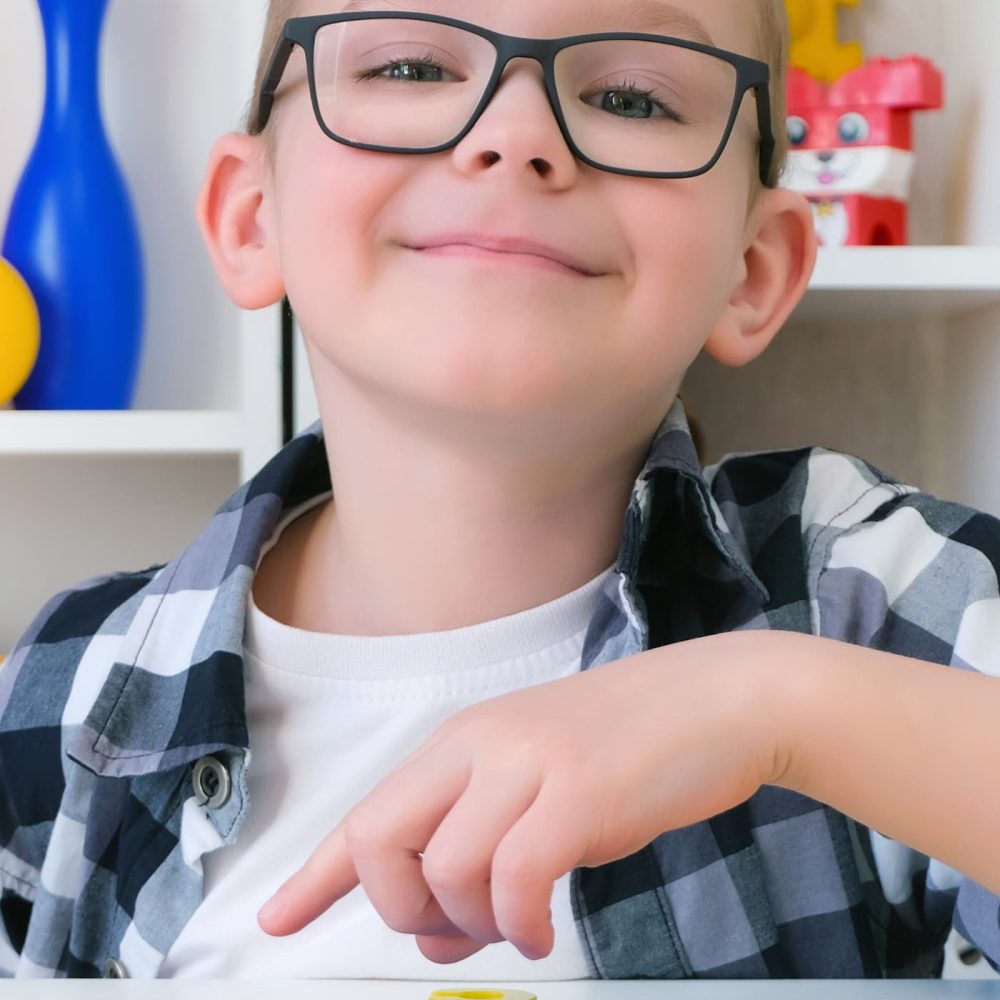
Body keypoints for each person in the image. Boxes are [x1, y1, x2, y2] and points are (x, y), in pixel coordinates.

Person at [1, 0, 998, 982]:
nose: (514, 135)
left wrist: (775, 705)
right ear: (251, 216)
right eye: (410, 69)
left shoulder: (881, 599)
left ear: (754, 268)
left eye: (631, 96)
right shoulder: (65, 686)